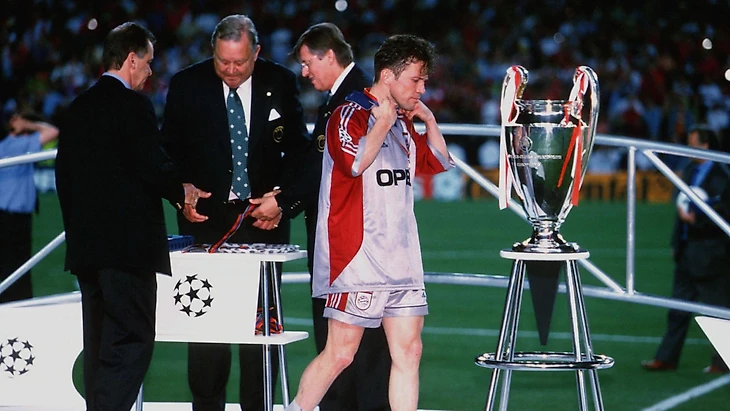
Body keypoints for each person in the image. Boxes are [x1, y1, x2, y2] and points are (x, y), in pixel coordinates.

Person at [286, 34, 453, 411]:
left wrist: (427, 119)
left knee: (409, 352)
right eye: (416, 79)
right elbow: (355, 163)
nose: (422, 88)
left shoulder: (403, 121)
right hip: (357, 259)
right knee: (340, 354)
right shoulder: (348, 113)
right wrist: (381, 123)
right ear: (388, 76)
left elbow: (437, 164)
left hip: (402, 258)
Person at [55, 22, 209, 411]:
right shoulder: (132, 106)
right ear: (131, 59)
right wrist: (182, 192)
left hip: (88, 253)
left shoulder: (76, 108)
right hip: (127, 253)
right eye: (148, 62)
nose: (151, 71)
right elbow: (150, 165)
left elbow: (63, 178)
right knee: (131, 343)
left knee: (100, 344)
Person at [160, 14, 310, 411]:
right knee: (206, 331)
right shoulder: (186, 86)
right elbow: (166, 155)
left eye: (239, 62)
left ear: (256, 53)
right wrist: (181, 195)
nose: (230, 70)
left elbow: (299, 150)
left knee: (259, 336)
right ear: (213, 53)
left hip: (265, 225)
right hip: (204, 228)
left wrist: (283, 201)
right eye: (222, 61)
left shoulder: (280, 82)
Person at [290, 22, 391, 411]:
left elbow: (336, 169)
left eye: (306, 62)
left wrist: (284, 203)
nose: (304, 72)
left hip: (349, 242)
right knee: (348, 347)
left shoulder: (355, 99)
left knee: (351, 347)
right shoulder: (344, 97)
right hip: (347, 239)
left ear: (328, 56)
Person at [641, 126, 730, 374]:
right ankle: (666, 358)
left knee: (716, 308)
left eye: (693, 144)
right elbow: (680, 211)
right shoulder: (690, 171)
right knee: (678, 308)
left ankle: (722, 361)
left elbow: (725, 212)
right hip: (686, 250)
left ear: (706, 146)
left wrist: (697, 221)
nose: (688, 149)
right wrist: (675, 243)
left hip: (712, 252)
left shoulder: (723, 174)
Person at [0, 111, 58, 303]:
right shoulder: (18, 145)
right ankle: (17, 303)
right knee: (18, 266)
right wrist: (29, 125)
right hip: (14, 217)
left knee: (10, 265)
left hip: (9, 214)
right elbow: (52, 132)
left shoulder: (7, 145)